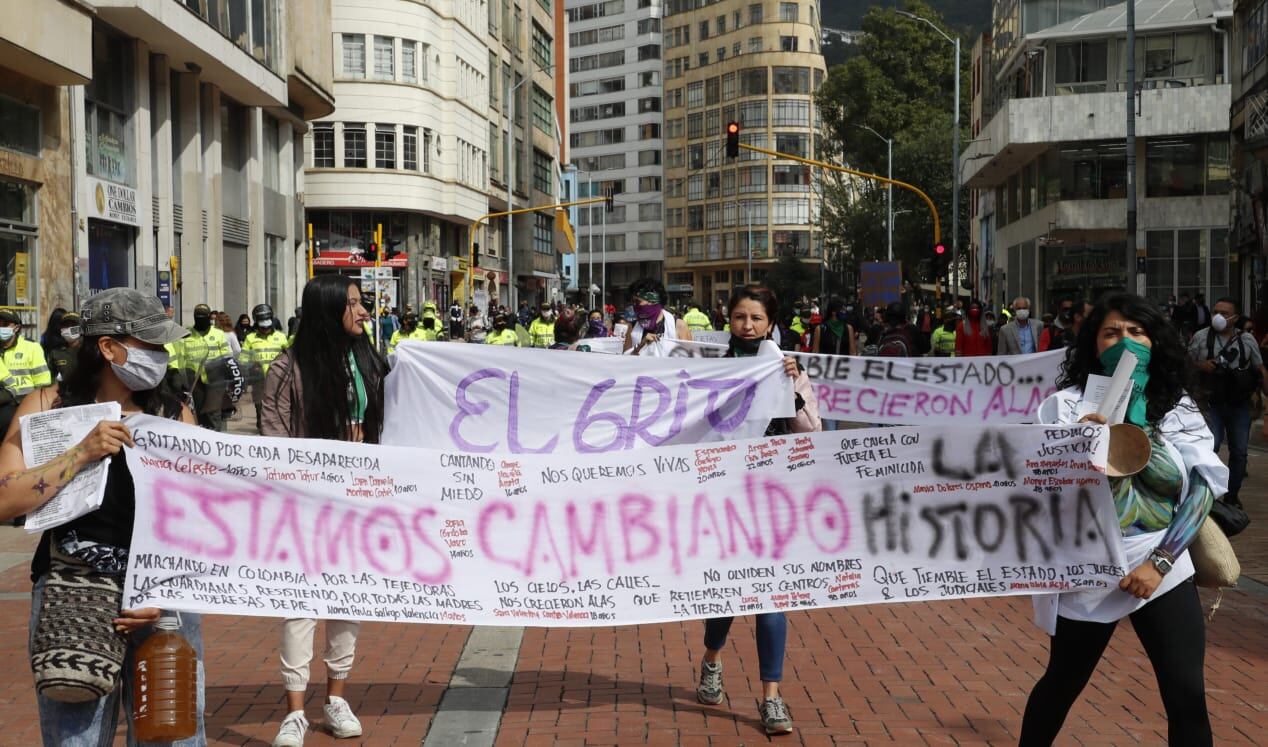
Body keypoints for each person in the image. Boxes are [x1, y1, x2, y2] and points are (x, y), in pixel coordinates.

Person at [0, 288, 205, 746]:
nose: (161, 355)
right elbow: (4, 500)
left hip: (161, 599)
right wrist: (81, 453)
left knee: (170, 735)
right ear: (109, 348)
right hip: (72, 599)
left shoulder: (173, 412)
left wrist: (162, 593)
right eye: (150, 345)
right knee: (77, 738)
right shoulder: (45, 408)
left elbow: (197, 515)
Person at [1020, 292, 1222, 747]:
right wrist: (1079, 445)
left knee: (1186, 694)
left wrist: (1161, 562)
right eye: (1111, 333)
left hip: (1161, 566)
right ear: (1094, 345)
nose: (1124, 342)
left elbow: (1203, 487)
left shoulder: (1178, 409)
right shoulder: (1064, 408)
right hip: (1088, 569)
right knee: (1061, 685)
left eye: (1136, 332)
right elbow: (1046, 488)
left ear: (1155, 342)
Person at [261, 275, 386, 747]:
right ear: (327, 309)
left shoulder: (371, 361)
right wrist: (303, 480)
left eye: (362, 303)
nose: (362, 313)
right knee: (300, 602)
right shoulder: (288, 367)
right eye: (352, 304)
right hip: (305, 505)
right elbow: (273, 431)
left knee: (347, 597)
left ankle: (336, 698)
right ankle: (294, 710)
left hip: (358, 501)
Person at [695, 285, 820, 736]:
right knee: (728, 591)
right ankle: (712, 658)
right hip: (722, 495)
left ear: (771, 324)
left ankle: (771, 697)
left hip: (772, 497)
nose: (747, 326)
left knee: (770, 594)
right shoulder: (707, 368)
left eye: (756, 319)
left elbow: (811, 431)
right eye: (739, 317)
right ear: (727, 320)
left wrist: (793, 388)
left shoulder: (788, 370)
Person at [1188, 297, 1267, 508]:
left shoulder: (1247, 340)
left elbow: (1259, 368)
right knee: (1209, 447)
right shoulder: (1201, 337)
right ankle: (1208, 495)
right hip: (1209, 401)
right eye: (1215, 311)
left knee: (1239, 451)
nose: (1218, 317)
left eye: (1224, 313)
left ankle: (1232, 495)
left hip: (1238, 403)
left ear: (1235, 317)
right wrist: (1200, 366)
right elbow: (1185, 363)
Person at [241, 304, 290, 434]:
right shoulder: (250, 339)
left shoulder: (281, 337)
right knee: (261, 412)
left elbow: (289, 357)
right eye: (262, 325)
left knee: (280, 411)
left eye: (267, 324)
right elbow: (243, 360)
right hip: (259, 381)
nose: (265, 328)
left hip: (279, 381)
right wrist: (251, 365)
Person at [625, 278, 693, 355]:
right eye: (633, 302)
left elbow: (690, 360)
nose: (634, 305)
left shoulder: (678, 325)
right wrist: (641, 345)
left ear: (652, 300)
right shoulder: (632, 327)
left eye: (638, 301)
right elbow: (625, 360)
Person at [0, 309, 52, 400]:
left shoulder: (32, 347)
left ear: (16, 328)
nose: (1, 327)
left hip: (25, 404)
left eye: (5, 324)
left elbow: (43, 382)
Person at [47, 311, 84, 383]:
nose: (69, 328)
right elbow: (51, 377)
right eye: (66, 325)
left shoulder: (89, 349)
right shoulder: (55, 353)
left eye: (73, 325)